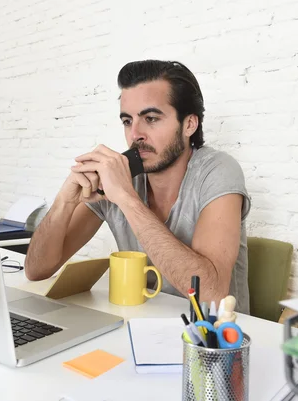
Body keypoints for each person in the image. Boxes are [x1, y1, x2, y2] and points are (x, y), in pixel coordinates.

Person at [24, 60, 252, 313]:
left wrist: (126, 198)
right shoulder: (120, 175)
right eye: (127, 121)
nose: (135, 134)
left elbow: (210, 295)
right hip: (139, 326)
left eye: (151, 118)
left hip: (214, 339)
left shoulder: (218, 170)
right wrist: (64, 202)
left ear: (189, 124)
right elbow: (37, 270)